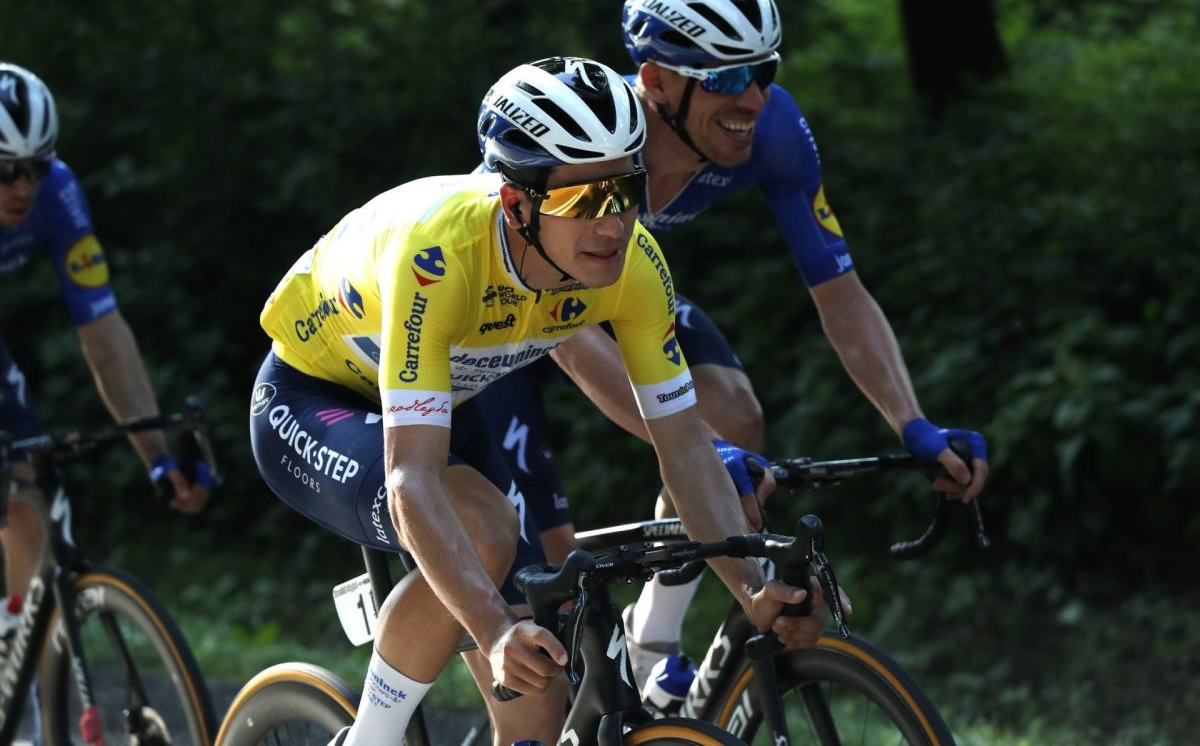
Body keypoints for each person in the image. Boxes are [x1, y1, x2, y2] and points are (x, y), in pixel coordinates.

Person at [249, 56, 831, 746]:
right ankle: (370, 739)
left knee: (537, 699)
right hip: (316, 397)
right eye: (584, 201)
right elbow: (411, 478)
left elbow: (683, 445)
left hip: (444, 396)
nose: (613, 224)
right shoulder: (438, 255)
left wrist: (753, 588)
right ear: (516, 204)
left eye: (628, 189)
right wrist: (492, 628)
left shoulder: (634, 264)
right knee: (485, 533)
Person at [471, 0, 991, 692]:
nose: (752, 97)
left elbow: (841, 294)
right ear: (655, 82)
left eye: (763, 70)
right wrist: (699, 447)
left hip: (615, 292)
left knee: (735, 418)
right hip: (501, 321)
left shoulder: (773, 128)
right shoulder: (589, 140)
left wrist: (911, 422)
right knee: (549, 594)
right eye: (723, 77)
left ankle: (651, 641)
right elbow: (564, 335)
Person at [0, 62, 208, 623]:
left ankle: (15, 646)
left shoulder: (58, 194)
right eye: (5, 170)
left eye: (35, 167)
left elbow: (105, 336)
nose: (22, 187)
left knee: (26, 485)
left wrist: (157, 456)